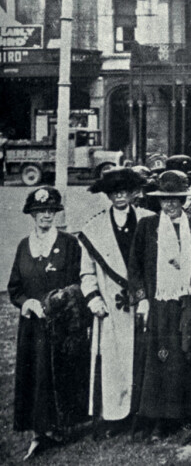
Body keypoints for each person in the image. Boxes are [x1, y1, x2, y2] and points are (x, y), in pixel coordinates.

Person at [128, 170, 191, 437]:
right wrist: (141, 297)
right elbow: (135, 266)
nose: (171, 204)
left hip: (188, 301)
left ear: (183, 199)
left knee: (189, 355)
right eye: (165, 199)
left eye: (176, 198)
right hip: (160, 303)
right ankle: (160, 417)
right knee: (162, 358)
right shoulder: (147, 227)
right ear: (159, 201)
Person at [9, 186, 89, 458]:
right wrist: (27, 303)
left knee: (61, 371)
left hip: (62, 324)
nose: (45, 216)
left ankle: (60, 427)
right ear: (31, 215)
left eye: (50, 211)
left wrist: (62, 301)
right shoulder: (23, 245)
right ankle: (38, 430)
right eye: (40, 211)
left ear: (56, 213)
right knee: (35, 374)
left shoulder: (68, 243)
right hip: (32, 325)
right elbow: (15, 288)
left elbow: (81, 281)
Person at [79, 166, 151, 432]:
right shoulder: (93, 229)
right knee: (114, 360)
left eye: (124, 190)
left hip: (144, 302)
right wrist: (93, 298)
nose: (120, 196)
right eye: (114, 191)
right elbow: (86, 272)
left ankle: (142, 413)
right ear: (108, 195)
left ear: (132, 193)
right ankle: (115, 416)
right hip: (111, 305)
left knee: (144, 356)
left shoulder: (148, 219)